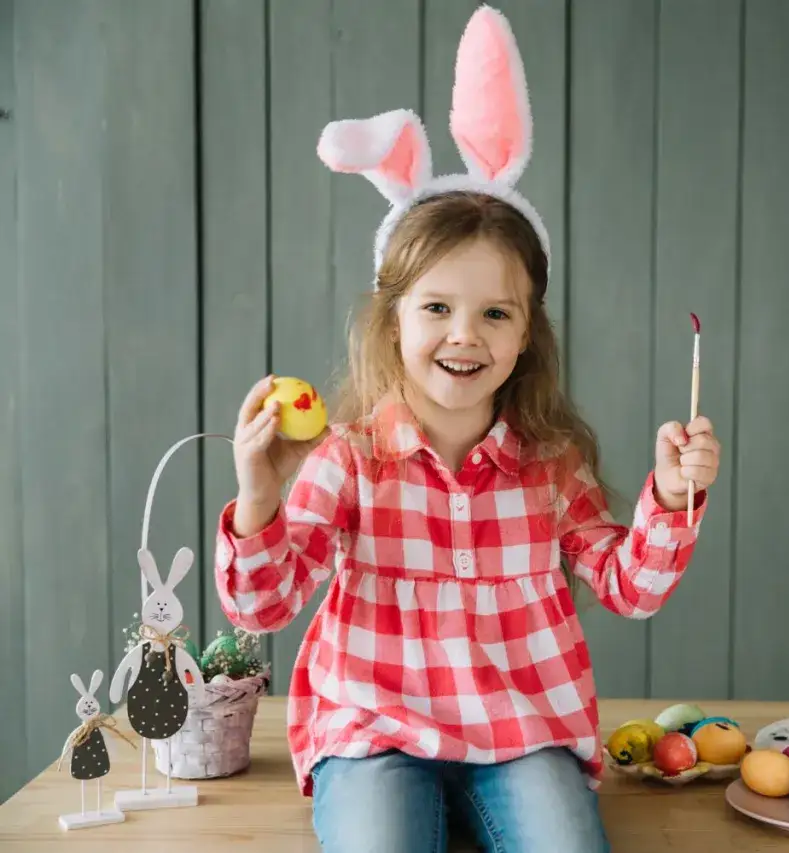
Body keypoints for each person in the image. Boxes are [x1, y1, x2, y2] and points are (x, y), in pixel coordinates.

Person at [212, 7, 719, 852]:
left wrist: (673, 495)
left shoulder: (550, 464)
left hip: (520, 730)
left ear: (527, 335)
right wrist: (258, 494)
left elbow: (634, 588)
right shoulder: (350, 458)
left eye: (495, 313)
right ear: (393, 321)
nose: (464, 335)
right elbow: (263, 602)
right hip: (375, 728)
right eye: (438, 308)